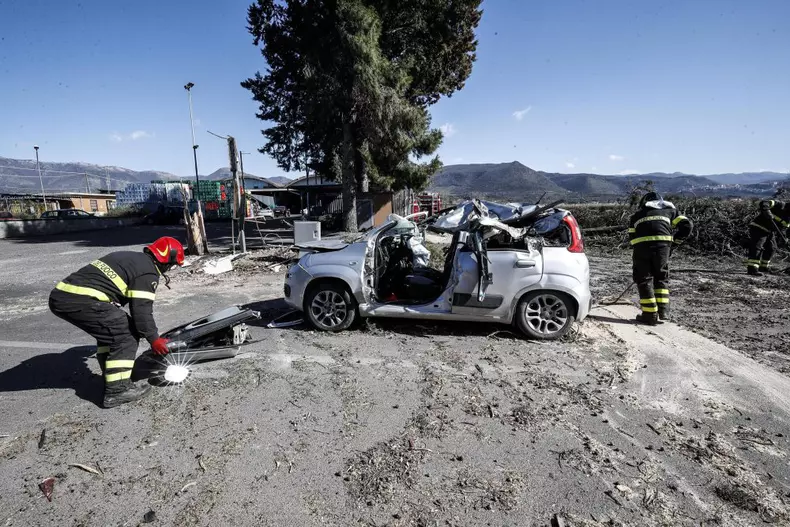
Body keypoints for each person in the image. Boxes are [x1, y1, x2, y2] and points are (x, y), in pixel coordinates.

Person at [48, 236, 184, 408]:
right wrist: (154, 339)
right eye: (172, 265)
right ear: (167, 259)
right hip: (82, 300)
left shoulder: (129, 257)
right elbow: (141, 312)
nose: (170, 269)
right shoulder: (147, 272)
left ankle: (113, 376)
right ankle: (117, 391)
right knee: (125, 336)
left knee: (111, 332)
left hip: (63, 296)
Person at [628, 192, 693, 325]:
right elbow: (687, 225)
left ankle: (649, 314)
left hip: (641, 248)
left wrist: (639, 251)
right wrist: (674, 243)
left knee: (644, 279)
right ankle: (663, 312)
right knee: (661, 277)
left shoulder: (636, 215)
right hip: (662, 248)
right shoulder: (670, 211)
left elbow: (631, 237)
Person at [746, 199, 790, 276]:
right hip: (758, 227)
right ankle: (752, 268)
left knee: (772, 248)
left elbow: (782, 230)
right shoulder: (779, 204)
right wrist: (766, 210)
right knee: (757, 246)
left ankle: (763, 267)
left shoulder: (788, 219)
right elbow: (764, 202)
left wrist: (784, 239)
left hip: (769, 231)